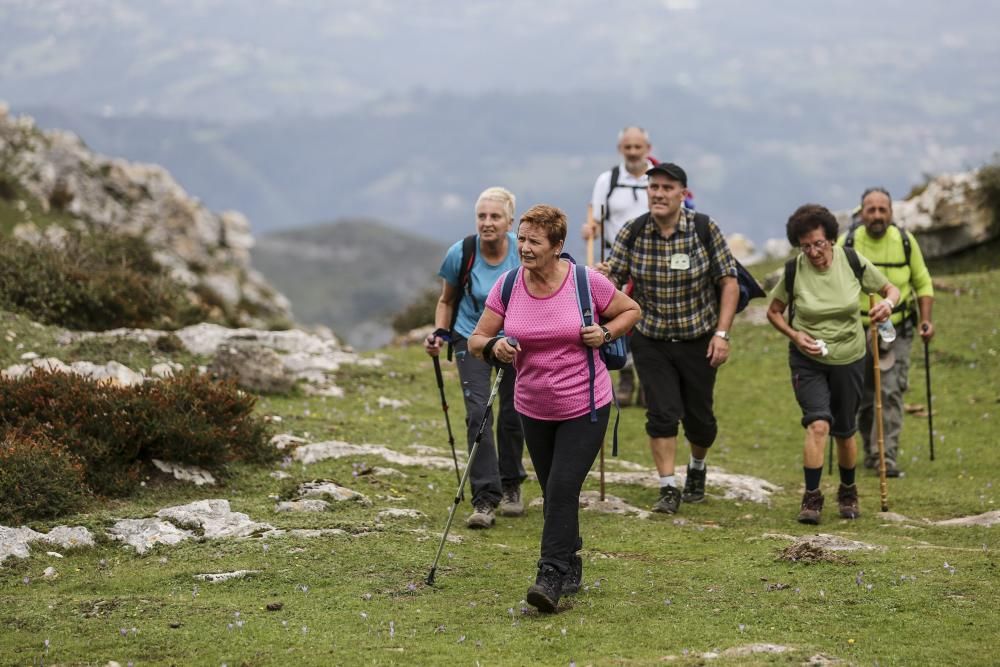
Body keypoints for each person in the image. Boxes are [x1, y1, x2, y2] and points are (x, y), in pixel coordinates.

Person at [469, 204, 640, 613]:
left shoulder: (586, 282)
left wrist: (605, 331)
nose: (524, 248)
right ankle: (572, 558)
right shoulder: (508, 286)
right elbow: (477, 340)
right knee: (553, 492)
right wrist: (495, 347)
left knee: (562, 489)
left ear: (558, 246)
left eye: (534, 242)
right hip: (533, 408)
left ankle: (549, 575)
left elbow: (631, 311)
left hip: (586, 406)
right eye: (522, 240)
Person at [597, 162, 738, 515]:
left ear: (682, 194)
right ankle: (668, 486)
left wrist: (722, 334)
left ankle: (697, 467)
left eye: (666, 188)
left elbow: (728, 282)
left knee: (700, 421)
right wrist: (603, 276)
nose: (658, 194)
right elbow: (613, 279)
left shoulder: (704, 229)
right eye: (653, 188)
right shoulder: (634, 231)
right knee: (661, 413)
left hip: (697, 337)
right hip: (651, 338)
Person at [766, 204, 900, 524]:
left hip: (850, 356)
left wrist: (887, 304)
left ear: (831, 240)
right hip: (807, 359)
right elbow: (773, 311)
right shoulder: (793, 270)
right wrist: (795, 335)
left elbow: (890, 289)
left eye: (819, 243)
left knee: (844, 429)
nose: (813, 252)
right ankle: (811, 498)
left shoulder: (852, 261)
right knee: (818, 423)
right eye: (806, 246)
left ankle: (848, 491)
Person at [424, 187, 526, 529]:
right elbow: (446, 300)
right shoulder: (462, 252)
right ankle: (485, 498)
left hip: (515, 340)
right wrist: (440, 332)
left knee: (515, 415)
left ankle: (512, 484)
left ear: (509, 221)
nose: (487, 223)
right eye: (481, 216)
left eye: (495, 216)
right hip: (473, 339)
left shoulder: (521, 252)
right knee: (478, 414)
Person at [838, 187, 935, 477]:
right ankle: (871, 451)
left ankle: (886, 457)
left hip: (898, 330)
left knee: (891, 391)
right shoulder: (849, 242)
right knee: (864, 396)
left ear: (891, 213)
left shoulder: (905, 242)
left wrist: (926, 321)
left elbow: (923, 283)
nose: (877, 216)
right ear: (862, 213)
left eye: (883, 210)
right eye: (871, 210)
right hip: (857, 331)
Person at [581, 126, 657, 407]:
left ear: (648, 149)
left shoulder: (658, 180)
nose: (634, 153)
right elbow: (597, 219)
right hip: (618, 261)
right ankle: (625, 377)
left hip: (653, 261)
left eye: (638, 147)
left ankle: (649, 380)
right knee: (620, 318)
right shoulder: (608, 180)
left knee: (649, 320)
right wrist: (591, 229)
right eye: (628, 147)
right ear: (620, 149)